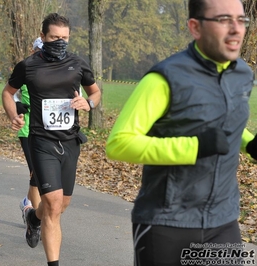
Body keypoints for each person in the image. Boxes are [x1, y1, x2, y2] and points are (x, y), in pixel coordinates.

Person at [105, 0, 255, 265]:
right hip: (167, 222)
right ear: (195, 27)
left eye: (241, 20)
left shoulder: (242, 74)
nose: (236, 30)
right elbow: (119, 143)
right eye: (223, 20)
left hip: (223, 219)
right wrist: (194, 147)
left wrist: (250, 143)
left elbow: (222, 121)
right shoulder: (164, 78)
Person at [2, 13, 101, 266]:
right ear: (43, 35)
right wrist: (14, 115)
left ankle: (34, 218)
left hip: (70, 142)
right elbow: (8, 92)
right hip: (42, 142)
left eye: (65, 38)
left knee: (61, 205)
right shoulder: (28, 66)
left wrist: (88, 103)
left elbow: (96, 92)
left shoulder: (78, 64)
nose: (60, 42)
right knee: (54, 205)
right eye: (55, 37)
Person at [17, 37, 44, 222]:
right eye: (38, 51)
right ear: (33, 50)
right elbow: (10, 93)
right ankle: (38, 220)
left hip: (49, 131)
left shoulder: (56, 71)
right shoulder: (25, 69)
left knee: (39, 175)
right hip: (27, 129)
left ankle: (28, 204)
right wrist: (17, 106)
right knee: (36, 173)